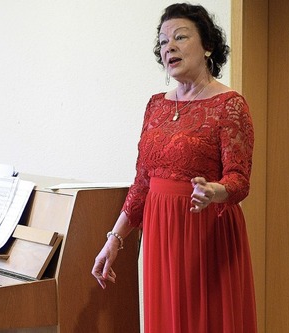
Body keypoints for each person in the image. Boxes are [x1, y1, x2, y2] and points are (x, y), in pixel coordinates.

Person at [91, 3, 257, 332]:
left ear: (208, 46)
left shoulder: (229, 104)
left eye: (180, 37)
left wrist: (215, 191)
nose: (170, 47)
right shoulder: (156, 105)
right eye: (163, 41)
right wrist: (114, 239)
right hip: (159, 232)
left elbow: (239, 181)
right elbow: (142, 184)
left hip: (205, 232)